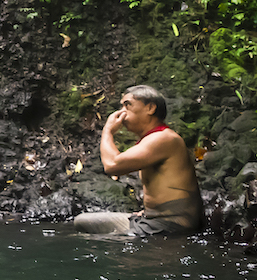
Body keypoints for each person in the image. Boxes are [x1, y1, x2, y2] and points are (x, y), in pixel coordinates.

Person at [72, 85, 204, 236]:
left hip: (171, 225)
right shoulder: (152, 139)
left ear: (150, 108)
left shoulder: (164, 138)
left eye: (127, 105)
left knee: (99, 240)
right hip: (151, 219)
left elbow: (112, 165)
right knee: (82, 222)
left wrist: (108, 131)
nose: (121, 112)